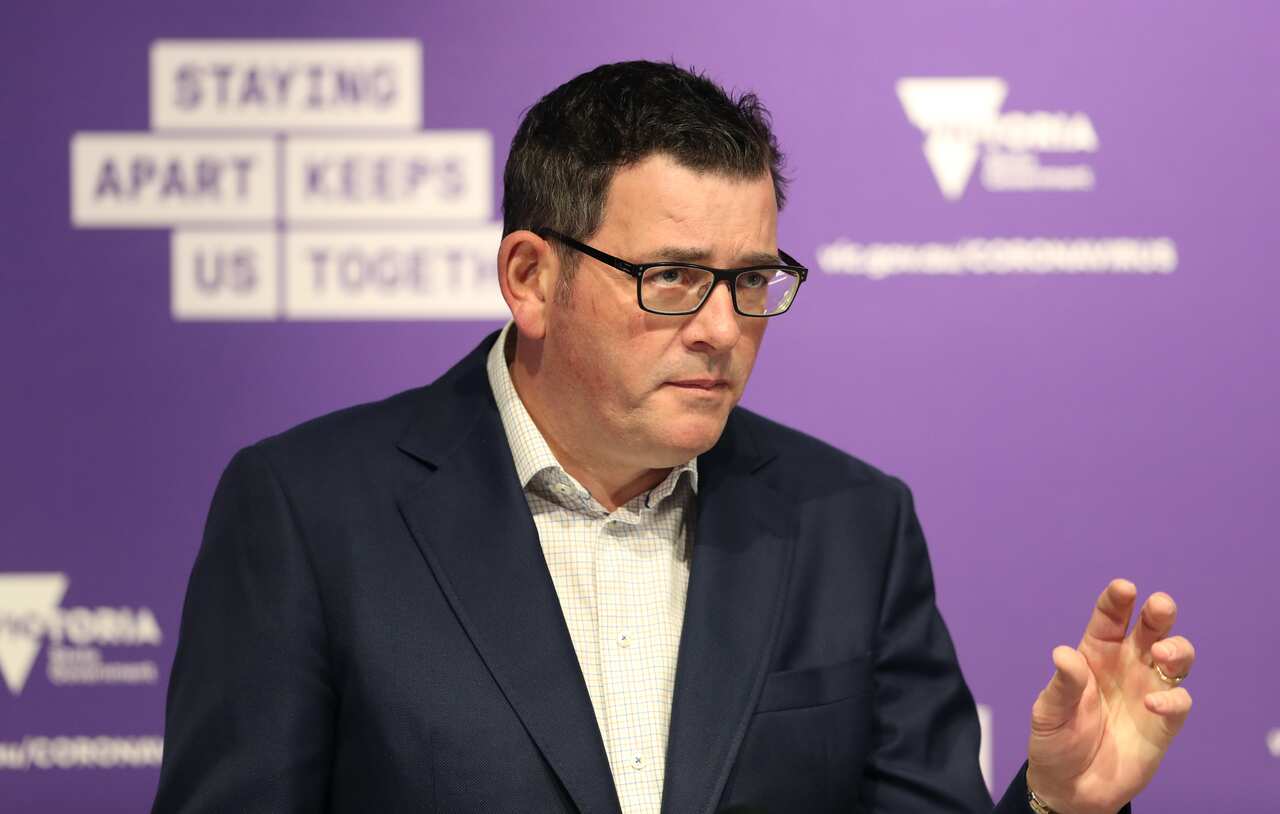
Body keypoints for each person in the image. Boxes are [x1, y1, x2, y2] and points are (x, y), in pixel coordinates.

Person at [151, 60, 1194, 814]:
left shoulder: (849, 523)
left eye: (748, 281)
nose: (720, 327)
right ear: (530, 279)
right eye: (670, 278)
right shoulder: (309, 510)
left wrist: (1061, 807)